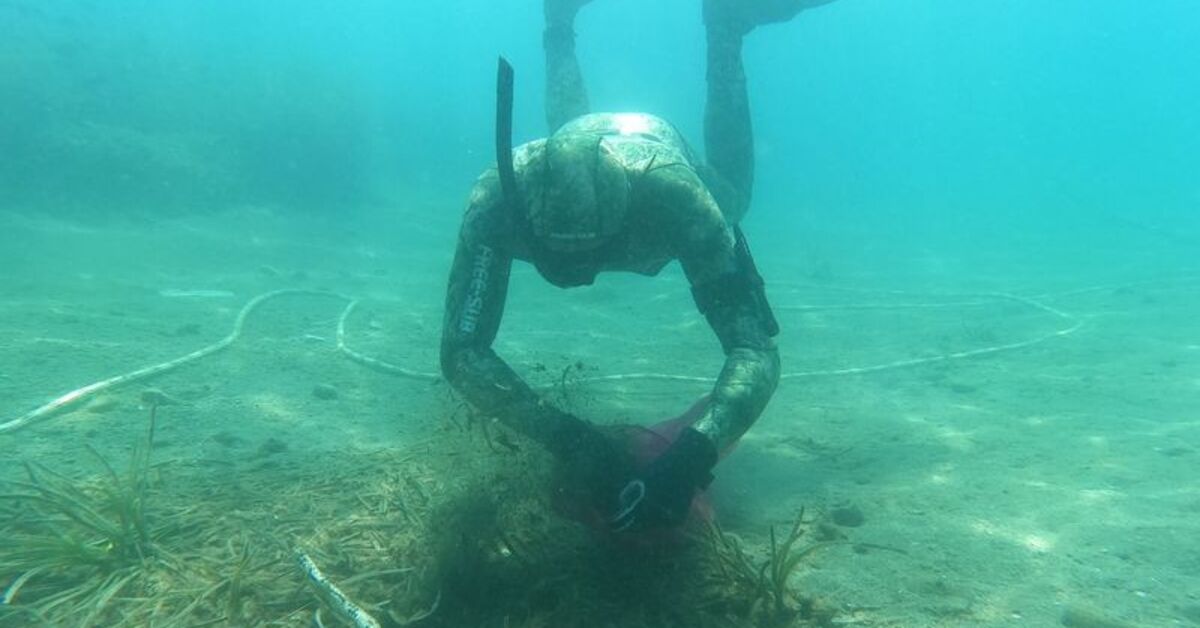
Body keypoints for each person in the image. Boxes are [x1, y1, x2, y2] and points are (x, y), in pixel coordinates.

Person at [440, 0, 836, 535]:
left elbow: (756, 349)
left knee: (734, 199)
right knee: (571, 132)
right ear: (525, 213)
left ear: (626, 218)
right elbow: (462, 351)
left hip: (650, 140)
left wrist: (694, 453)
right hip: (578, 144)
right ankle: (559, 22)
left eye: (588, 252)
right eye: (557, 255)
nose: (576, 276)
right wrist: (566, 437)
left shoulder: (677, 199)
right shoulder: (495, 204)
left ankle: (725, 30)